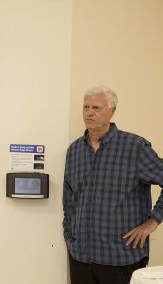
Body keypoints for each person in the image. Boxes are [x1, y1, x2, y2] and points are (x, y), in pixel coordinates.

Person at [63, 85, 163, 284]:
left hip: (121, 258)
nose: (89, 112)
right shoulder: (74, 151)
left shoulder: (135, 147)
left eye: (96, 108)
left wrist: (153, 222)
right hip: (80, 258)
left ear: (112, 111)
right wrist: (70, 236)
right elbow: (70, 200)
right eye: (85, 107)